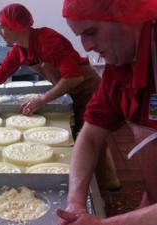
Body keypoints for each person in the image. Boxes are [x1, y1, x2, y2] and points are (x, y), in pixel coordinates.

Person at [0, 3, 120, 190]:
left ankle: (107, 185)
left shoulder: (48, 41)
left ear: (16, 27)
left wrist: (41, 99)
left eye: (2, 27)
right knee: (79, 138)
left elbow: (74, 77)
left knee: (91, 140)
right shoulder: (19, 50)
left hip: (87, 90)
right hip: (70, 90)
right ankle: (88, 179)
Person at [57, 0, 157, 224]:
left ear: (126, 15)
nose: (86, 46)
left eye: (91, 32)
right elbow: (91, 136)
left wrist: (104, 223)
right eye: (80, 36)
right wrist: (75, 203)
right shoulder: (119, 69)